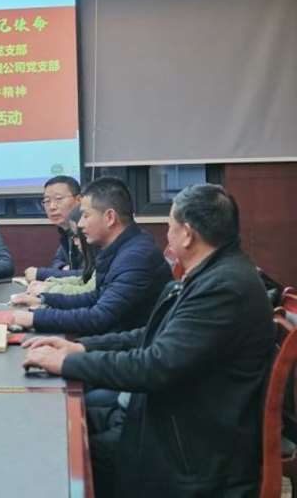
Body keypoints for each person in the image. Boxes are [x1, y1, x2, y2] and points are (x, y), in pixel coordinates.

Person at [22, 183, 274, 497]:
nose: (166, 237)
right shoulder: (214, 273)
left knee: (60, 451)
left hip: (190, 447)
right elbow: (151, 334)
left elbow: (153, 367)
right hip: (168, 414)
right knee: (56, 419)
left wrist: (66, 363)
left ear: (186, 234)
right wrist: (81, 347)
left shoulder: (223, 288)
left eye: (169, 227)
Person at [12, 177, 171, 335]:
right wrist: (43, 300)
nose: (81, 224)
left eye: (86, 215)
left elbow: (99, 317)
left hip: (122, 344)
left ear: (110, 217)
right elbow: (96, 297)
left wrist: (34, 319)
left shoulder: (136, 257)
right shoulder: (120, 247)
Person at [24, 175, 82, 282]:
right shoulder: (66, 230)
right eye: (47, 201)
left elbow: (90, 275)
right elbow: (57, 260)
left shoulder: (89, 231)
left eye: (59, 199)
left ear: (78, 200)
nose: (52, 207)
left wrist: (41, 274)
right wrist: (63, 270)